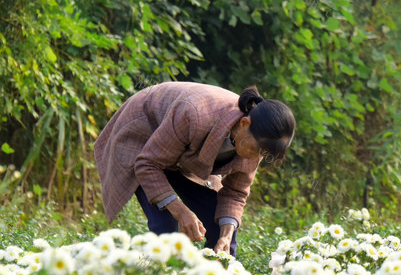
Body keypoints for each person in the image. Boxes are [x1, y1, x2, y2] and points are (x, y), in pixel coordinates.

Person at [95, 82, 296, 256]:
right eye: (257, 150)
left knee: (222, 228)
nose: (258, 157)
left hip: (179, 156)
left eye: (264, 154)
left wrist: (225, 236)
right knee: (166, 226)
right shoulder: (194, 114)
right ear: (244, 123)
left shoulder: (255, 143)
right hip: (144, 138)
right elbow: (148, 164)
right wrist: (181, 211)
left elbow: (235, 193)